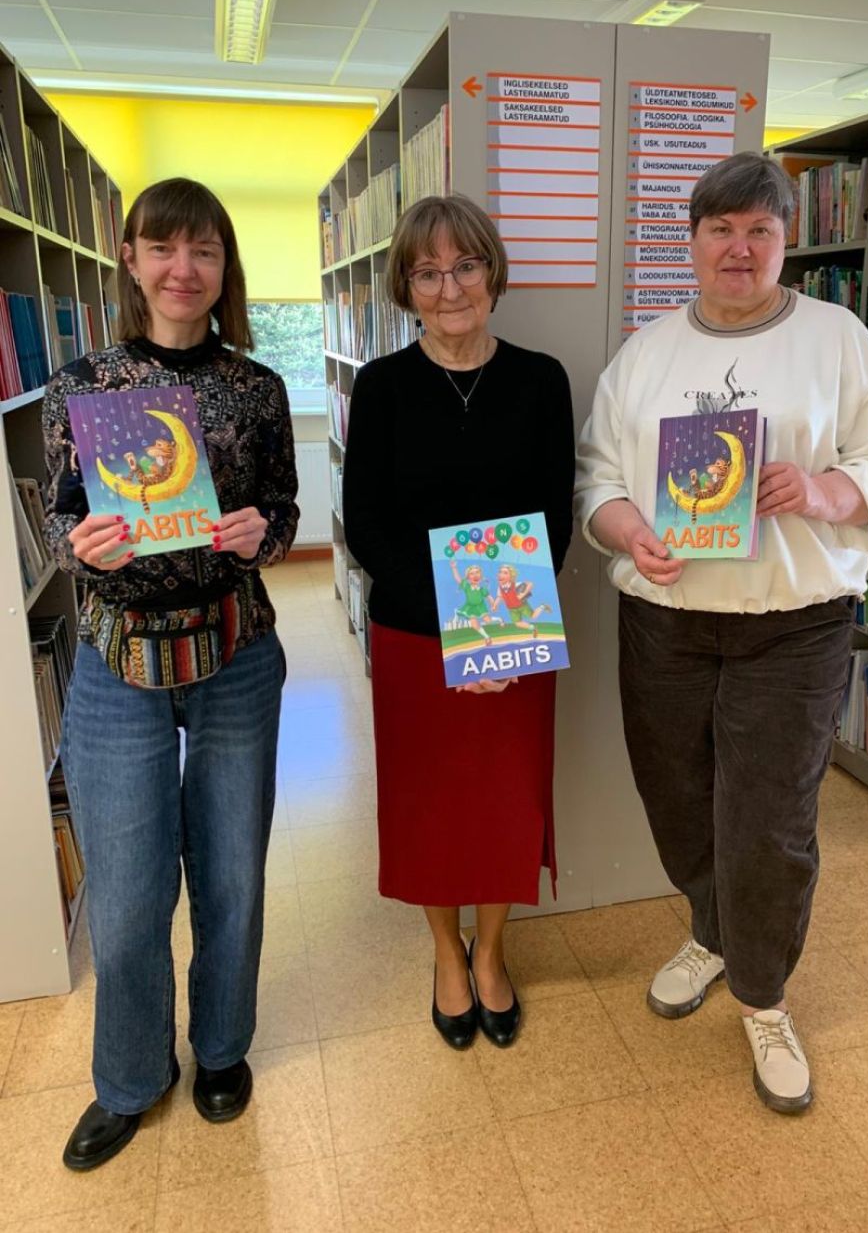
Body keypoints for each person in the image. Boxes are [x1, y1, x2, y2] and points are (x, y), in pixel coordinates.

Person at [575, 152, 868, 1113]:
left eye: (758, 231)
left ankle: (763, 997)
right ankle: (712, 932)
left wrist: (819, 490)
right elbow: (597, 478)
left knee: (767, 819)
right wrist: (628, 532)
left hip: (792, 624)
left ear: (784, 241)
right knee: (677, 798)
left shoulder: (836, 338)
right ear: (689, 242)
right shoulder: (645, 353)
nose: (739, 248)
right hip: (664, 622)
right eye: (720, 230)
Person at [43, 177, 298, 1168]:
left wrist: (259, 532)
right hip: (119, 658)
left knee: (232, 873)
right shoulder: (82, 384)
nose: (183, 269)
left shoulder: (256, 387)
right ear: (132, 260)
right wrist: (81, 546)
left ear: (226, 267)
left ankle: (222, 1050)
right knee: (126, 892)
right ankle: (129, 1078)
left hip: (235, 649)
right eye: (163, 248)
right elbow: (61, 514)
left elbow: (283, 509)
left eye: (204, 250)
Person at [342, 194, 574, 1050]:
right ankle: (446, 953)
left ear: (492, 273)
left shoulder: (541, 379)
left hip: (518, 630)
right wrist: (461, 628)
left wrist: (498, 636)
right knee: (429, 805)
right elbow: (366, 525)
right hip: (414, 632)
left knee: (507, 799)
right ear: (405, 287)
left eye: (465, 265)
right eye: (427, 273)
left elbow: (553, 515)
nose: (450, 288)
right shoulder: (381, 386)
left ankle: (492, 951)